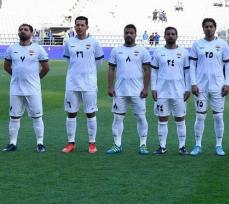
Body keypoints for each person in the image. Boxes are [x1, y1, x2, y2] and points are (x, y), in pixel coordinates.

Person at [2, 24, 49, 152]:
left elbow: (46, 67)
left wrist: (36, 79)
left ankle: (40, 143)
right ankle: (12, 143)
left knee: (37, 116)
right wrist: (16, 76)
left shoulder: (38, 48)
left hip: (33, 90)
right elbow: (6, 66)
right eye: (20, 29)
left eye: (25, 29)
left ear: (31, 33)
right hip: (16, 89)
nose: (22, 31)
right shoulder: (12, 48)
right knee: (14, 117)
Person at [106, 24, 151, 155]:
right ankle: (117, 144)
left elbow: (147, 70)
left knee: (141, 118)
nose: (129, 35)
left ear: (136, 34)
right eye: (126, 33)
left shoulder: (142, 51)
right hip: (120, 91)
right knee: (118, 118)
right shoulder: (116, 50)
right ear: (123, 34)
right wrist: (110, 86)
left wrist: (146, 88)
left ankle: (143, 145)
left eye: (131, 33)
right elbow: (111, 69)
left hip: (138, 92)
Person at [61, 16, 104, 154]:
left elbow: (99, 61)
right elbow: (68, 60)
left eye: (82, 25)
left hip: (89, 83)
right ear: (74, 27)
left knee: (90, 113)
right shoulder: (69, 42)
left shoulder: (94, 42)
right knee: (71, 113)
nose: (79, 27)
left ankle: (92, 143)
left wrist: (88, 72)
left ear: (87, 27)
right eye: (77, 25)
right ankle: (71, 143)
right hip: (72, 83)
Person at [189, 18, 229, 156]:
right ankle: (197, 145)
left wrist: (226, 83)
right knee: (200, 117)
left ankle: (219, 145)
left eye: (211, 26)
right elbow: (192, 65)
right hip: (200, 87)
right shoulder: (197, 44)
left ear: (215, 28)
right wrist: (193, 83)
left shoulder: (222, 44)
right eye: (206, 26)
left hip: (218, 87)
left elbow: (228, 65)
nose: (209, 28)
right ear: (203, 28)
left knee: (218, 117)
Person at [151, 26, 190, 155]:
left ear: (176, 36)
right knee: (162, 119)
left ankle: (182, 146)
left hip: (179, 91)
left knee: (180, 119)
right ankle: (162, 146)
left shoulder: (184, 52)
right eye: (168, 34)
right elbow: (154, 71)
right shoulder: (158, 52)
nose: (170, 36)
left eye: (173, 34)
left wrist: (187, 88)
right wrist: (153, 88)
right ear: (164, 36)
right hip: (162, 92)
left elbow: (187, 72)